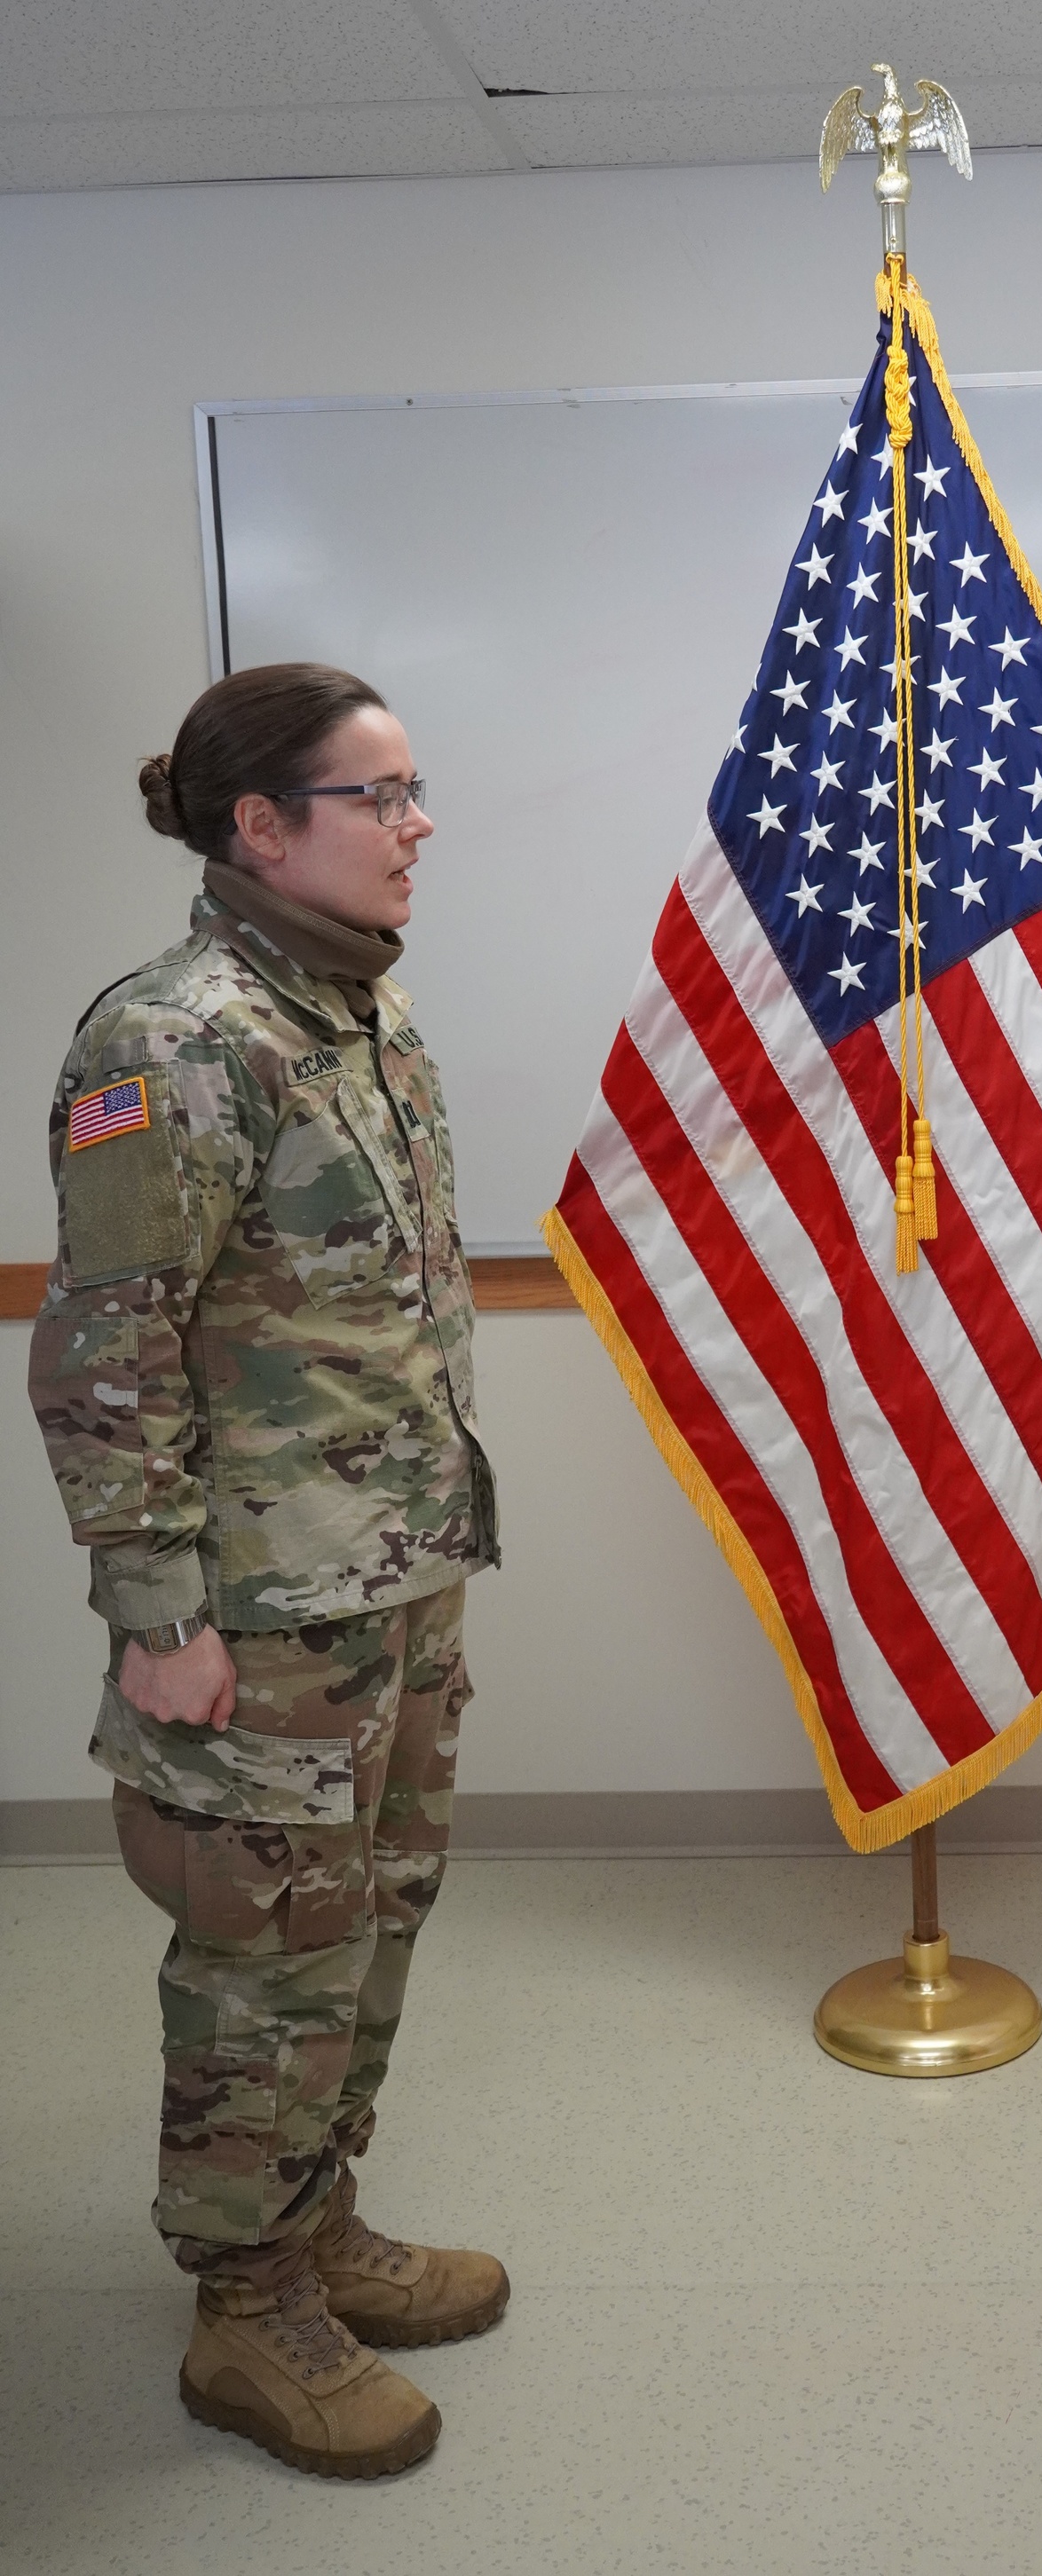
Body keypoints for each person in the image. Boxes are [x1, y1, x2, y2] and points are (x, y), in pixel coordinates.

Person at [29, 664, 504, 2479]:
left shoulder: (356, 1019)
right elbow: (105, 1349)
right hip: (256, 1611)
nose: (417, 822)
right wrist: (157, 1619)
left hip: (387, 1577)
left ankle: (315, 2228)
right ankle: (246, 2308)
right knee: (262, 1952)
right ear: (262, 825)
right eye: (379, 793)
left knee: (365, 1921)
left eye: (410, 788)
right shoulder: (179, 1040)